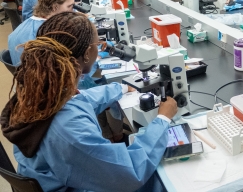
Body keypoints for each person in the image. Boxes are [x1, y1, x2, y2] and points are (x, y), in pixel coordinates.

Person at [1, 12, 178, 192]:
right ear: (87, 54)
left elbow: (82, 100)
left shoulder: (38, 90)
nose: (100, 48)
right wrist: (162, 120)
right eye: (97, 44)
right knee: (161, 176)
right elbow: (131, 173)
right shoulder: (69, 128)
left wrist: (122, 88)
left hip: (49, 177)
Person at [9, 0, 75, 66]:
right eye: (70, 6)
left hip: (25, 75)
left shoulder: (25, 25)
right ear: (55, 7)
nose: (72, 11)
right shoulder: (50, 34)